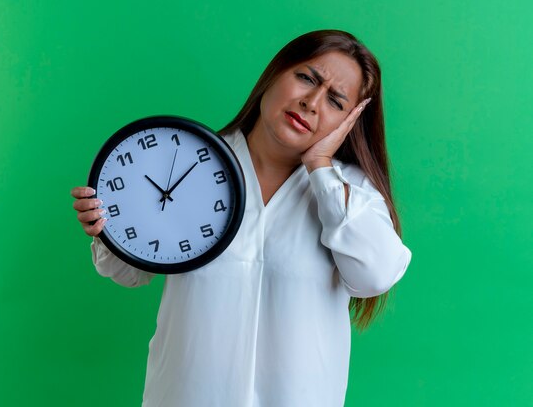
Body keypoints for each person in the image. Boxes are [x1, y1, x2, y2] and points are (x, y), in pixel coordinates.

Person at [71, 29, 412, 407]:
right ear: (274, 74)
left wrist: (320, 168)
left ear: (351, 120)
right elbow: (126, 273)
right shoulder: (188, 164)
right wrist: (109, 229)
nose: (311, 103)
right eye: (306, 78)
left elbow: (375, 277)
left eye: (335, 101)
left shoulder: (351, 194)